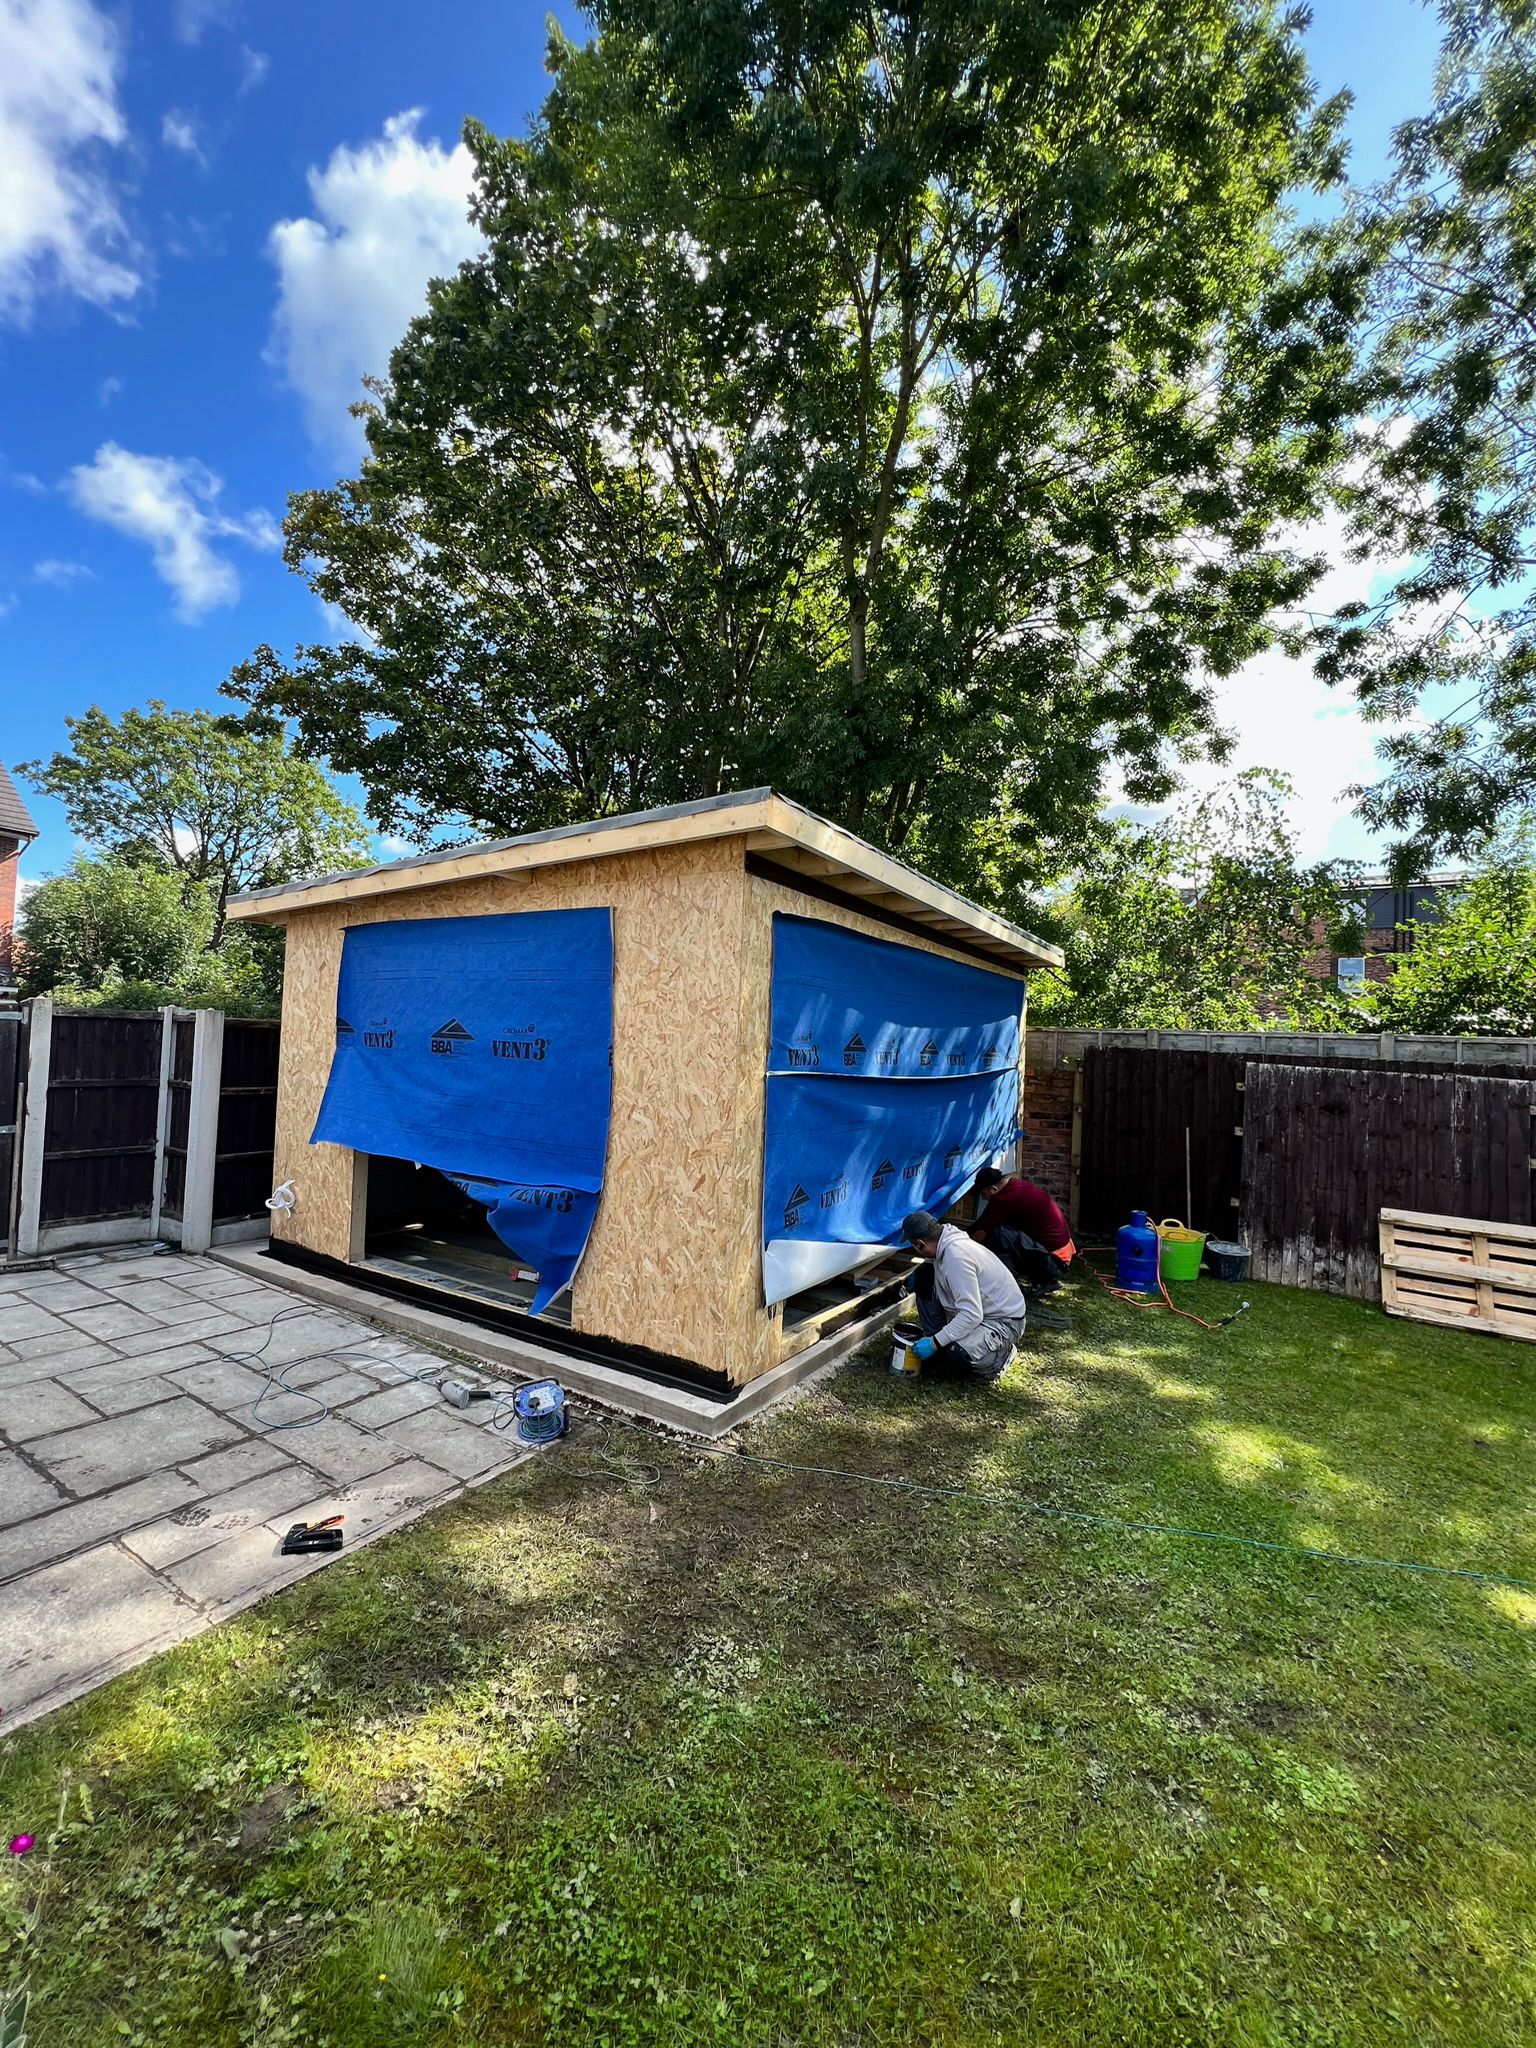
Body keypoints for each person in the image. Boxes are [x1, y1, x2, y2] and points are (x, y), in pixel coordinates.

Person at [900, 1208, 1026, 1383]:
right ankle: (936, 1337)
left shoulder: (956, 1257)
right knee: (924, 1277)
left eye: (915, 1247)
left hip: (1004, 1322)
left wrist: (934, 1343)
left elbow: (972, 1314)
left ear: (920, 1243)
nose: (916, 1251)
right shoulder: (945, 1241)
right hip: (981, 1311)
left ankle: (999, 1358)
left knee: (956, 1354)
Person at [969, 1168, 1076, 1293]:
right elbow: (983, 1222)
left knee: (999, 1235)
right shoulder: (1016, 1184)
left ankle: (1009, 1284)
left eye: (983, 1194)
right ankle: (1043, 1277)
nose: (983, 1198)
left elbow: (980, 1232)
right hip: (1061, 1255)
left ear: (993, 1189)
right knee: (1003, 1232)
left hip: (1054, 1262)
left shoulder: (1004, 1200)